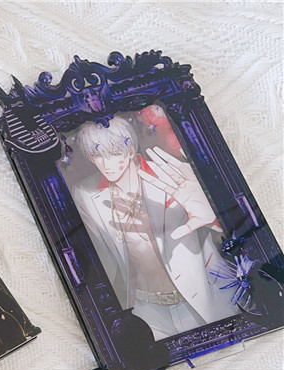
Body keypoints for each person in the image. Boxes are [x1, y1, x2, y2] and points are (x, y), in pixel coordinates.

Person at [69, 116, 236, 340]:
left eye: (115, 153)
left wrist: (214, 217)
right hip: (146, 311)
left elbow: (235, 233)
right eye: (98, 155)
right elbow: (102, 261)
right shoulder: (85, 194)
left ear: (130, 149)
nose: (107, 165)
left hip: (202, 296)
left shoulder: (171, 175)